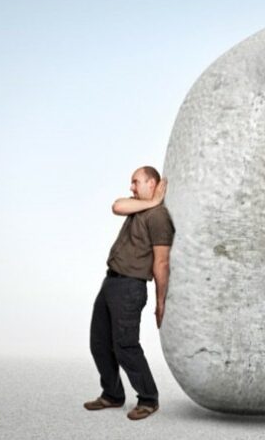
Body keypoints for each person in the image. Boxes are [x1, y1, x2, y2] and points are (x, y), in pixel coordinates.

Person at [84, 166, 174, 420]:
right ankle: (112, 395)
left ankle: (148, 399)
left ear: (152, 183)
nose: (132, 187)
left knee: (125, 346)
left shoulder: (158, 216)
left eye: (136, 182)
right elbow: (116, 206)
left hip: (130, 287)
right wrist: (152, 199)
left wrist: (160, 301)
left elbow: (161, 263)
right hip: (110, 283)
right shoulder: (139, 205)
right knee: (99, 343)